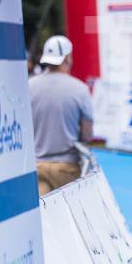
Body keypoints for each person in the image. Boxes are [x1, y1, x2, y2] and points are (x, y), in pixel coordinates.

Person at [29, 35, 93, 196]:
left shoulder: (28, 86)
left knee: (41, 210)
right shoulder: (80, 89)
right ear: (67, 58)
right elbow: (87, 134)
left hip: (35, 166)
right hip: (67, 167)